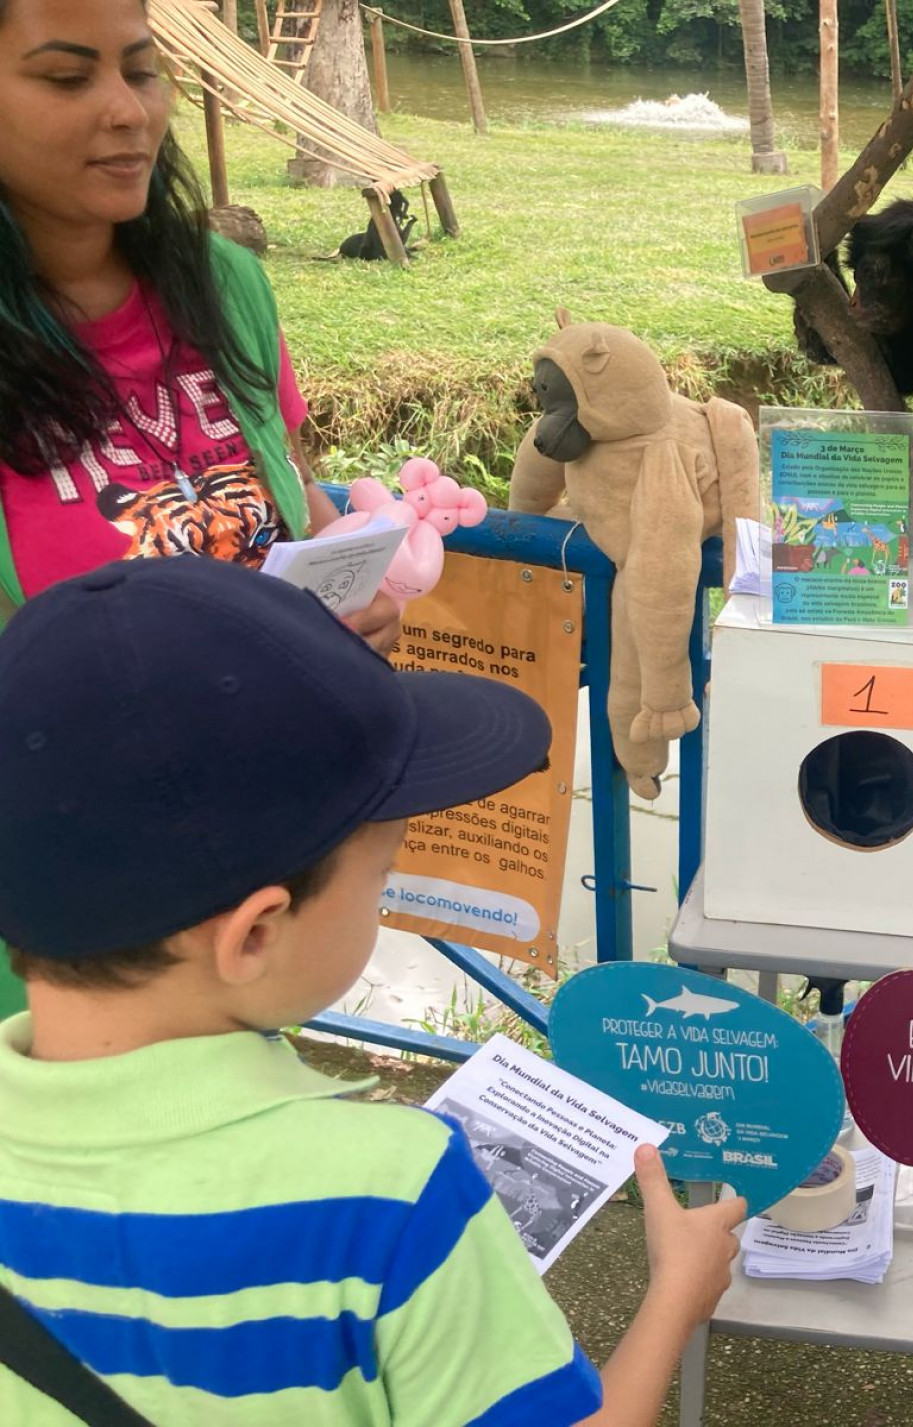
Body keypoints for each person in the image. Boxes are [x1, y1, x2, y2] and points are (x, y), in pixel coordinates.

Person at [0, 558, 747, 1425]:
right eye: (382, 874)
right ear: (255, 934)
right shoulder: (387, 1195)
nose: (385, 897)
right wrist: (676, 1295)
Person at [0, 0, 400, 651]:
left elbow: (290, 487)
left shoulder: (224, 283)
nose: (129, 112)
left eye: (140, 71)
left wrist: (352, 601)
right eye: (67, 79)